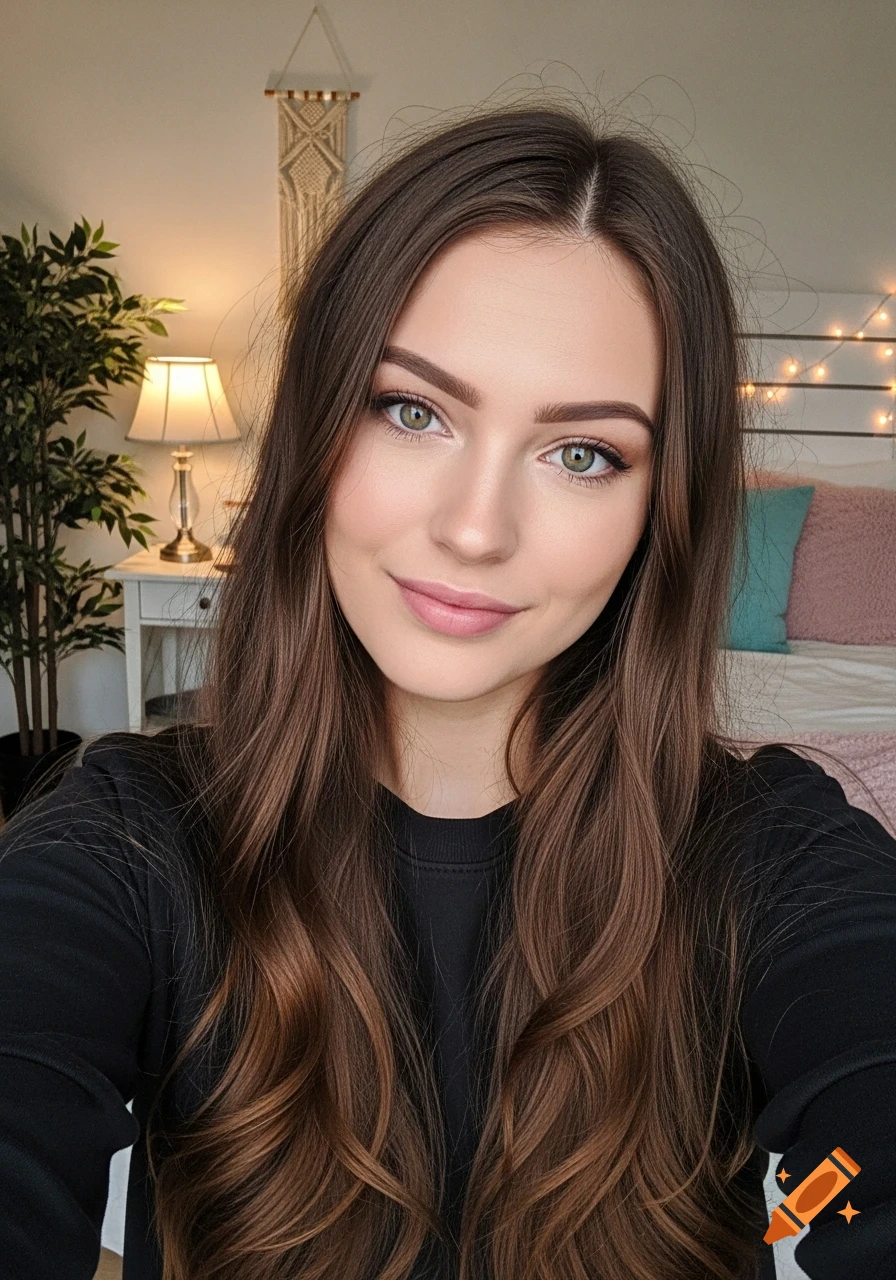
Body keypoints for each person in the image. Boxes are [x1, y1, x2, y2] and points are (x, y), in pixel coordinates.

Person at [1, 99, 894, 1280]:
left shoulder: (768, 855)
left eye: (582, 453)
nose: (475, 529)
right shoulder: (130, 838)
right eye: (409, 409)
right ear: (318, 430)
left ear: (656, 513)